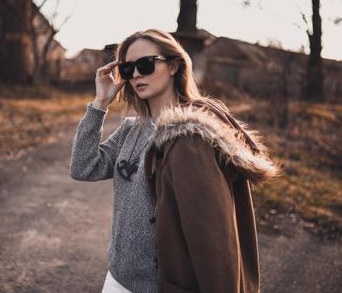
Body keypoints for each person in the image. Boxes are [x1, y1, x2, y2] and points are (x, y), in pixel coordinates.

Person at [70, 28, 279, 293]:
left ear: (173, 65)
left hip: (159, 286)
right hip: (117, 278)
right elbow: (83, 166)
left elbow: (211, 237)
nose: (135, 74)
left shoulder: (190, 139)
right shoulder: (131, 129)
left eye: (145, 65)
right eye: (127, 68)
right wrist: (100, 103)